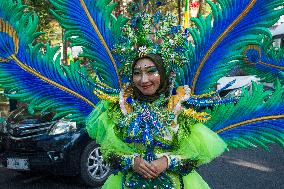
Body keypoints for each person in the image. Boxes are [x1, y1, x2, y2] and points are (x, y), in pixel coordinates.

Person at [86, 53, 227, 189]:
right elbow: (109, 153)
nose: (143, 80)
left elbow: (196, 156)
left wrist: (167, 162)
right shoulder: (121, 109)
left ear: (163, 73)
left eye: (151, 71)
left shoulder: (179, 108)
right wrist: (132, 161)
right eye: (137, 73)